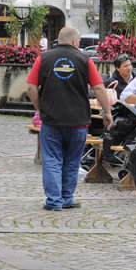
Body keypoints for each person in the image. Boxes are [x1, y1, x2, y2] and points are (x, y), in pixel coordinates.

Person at [26, 26, 113, 211]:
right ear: (74, 41)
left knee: (51, 160)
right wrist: (107, 111)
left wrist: (40, 108)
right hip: (78, 120)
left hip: (51, 119)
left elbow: (31, 87)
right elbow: (99, 88)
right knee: (72, 161)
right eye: (79, 41)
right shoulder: (85, 59)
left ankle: (54, 201)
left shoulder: (43, 58)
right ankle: (66, 198)